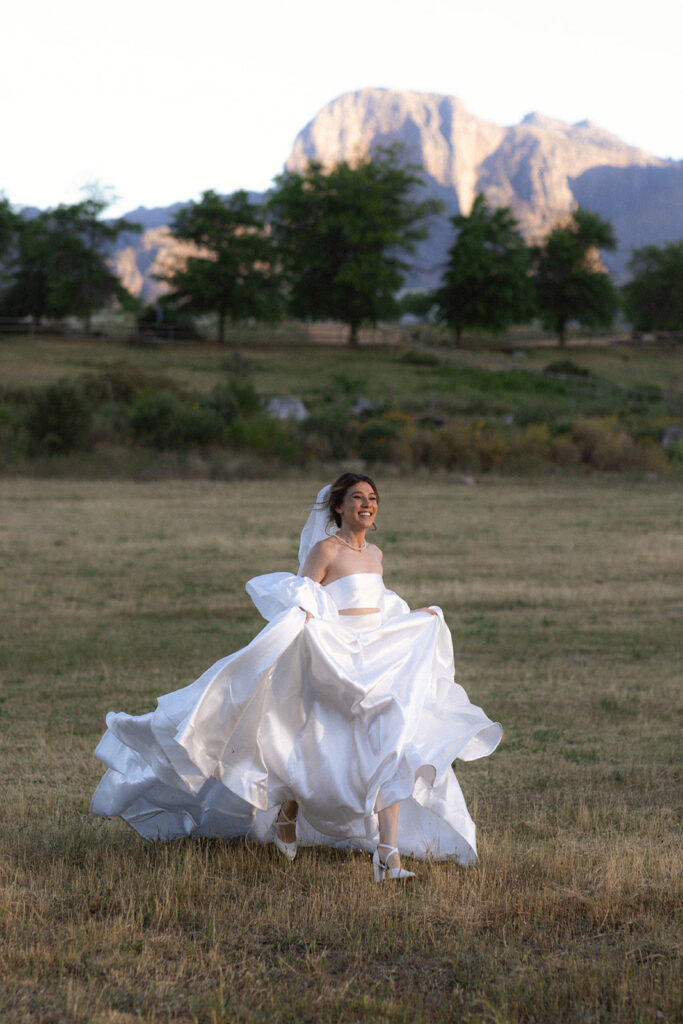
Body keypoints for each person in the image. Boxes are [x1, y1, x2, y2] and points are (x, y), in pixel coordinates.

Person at [91, 473, 502, 882]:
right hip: (334, 657)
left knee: (393, 744)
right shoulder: (326, 549)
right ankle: (287, 814)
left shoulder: (376, 555)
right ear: (338, 507)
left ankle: (387, 855)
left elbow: (381, 604)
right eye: (357, 497)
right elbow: (303, 597)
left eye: (373, 498)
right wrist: (306, 627)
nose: (367, 504)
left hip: (376, 661)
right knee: (318, 747)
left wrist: (418, 619)